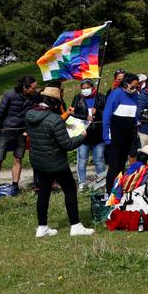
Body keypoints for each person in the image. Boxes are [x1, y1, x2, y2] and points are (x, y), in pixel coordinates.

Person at [28, 86, 95, 237]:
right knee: (70, 189)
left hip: (38, 161)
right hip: (56, 161)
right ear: (52, 102)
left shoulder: (30, 115)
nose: (60, 105)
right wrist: (82, 135)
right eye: (58, 102)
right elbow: (67, 145)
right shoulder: (54, 120)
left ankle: (42, 227)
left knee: (43, 192)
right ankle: (76, 225)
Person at [0, 76, 36, 194]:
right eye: (33, 88)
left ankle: (15, 186)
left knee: (18, 158)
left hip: (21, 132)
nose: (35, 90)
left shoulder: (33, 97)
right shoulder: (9, 95)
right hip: (5, 131)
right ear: (25, 87)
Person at [103, 73, 141, 192]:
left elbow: (134, 114)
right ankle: (109, 192)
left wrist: (137, 120)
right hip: (115, 137)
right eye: (133, 87)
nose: (135, 89)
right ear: (125, 84)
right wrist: (106, 137)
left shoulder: (134, 96)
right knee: (114, 167)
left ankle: (119, 190)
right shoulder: (116, 94)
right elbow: (106, 116)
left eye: (137, 87)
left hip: (127, 136)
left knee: (121, 166)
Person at [72, 79, 107, 192]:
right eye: (83, 88)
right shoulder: (77, 98)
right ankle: (82, 182)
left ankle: (101, 181)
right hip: (83, 135)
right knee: (82, 160)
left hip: (98, 135)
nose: (85, 90)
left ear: (92, 87)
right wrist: (84, 116)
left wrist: (98, 112)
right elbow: (73, 113)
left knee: (99, 160)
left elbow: (107, 112)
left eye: (87, 87)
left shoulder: (100, 97)